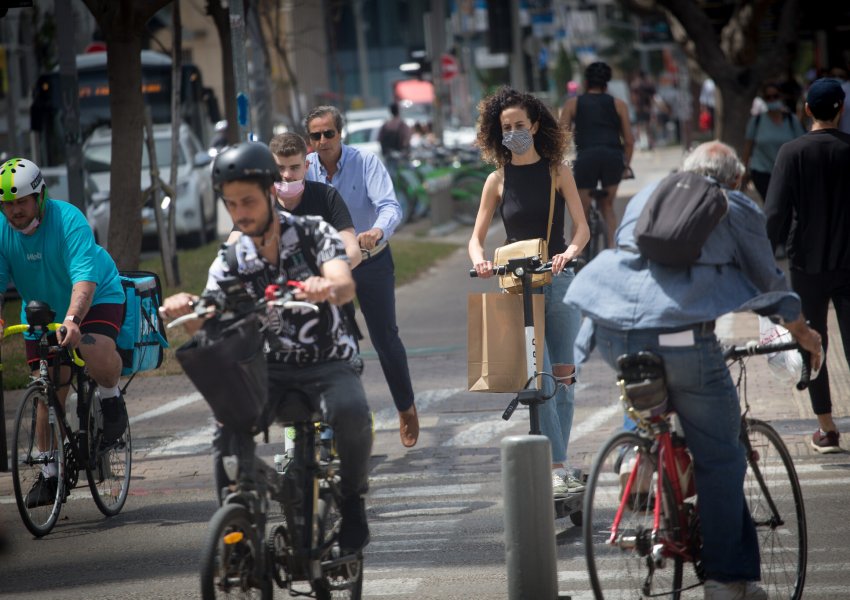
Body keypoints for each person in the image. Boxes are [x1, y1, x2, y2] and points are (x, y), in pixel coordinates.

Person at [564, 141, 822, 600]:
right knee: (721, 458)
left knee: (653, 399)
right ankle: (724, 579)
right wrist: (803, 332)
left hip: (611, 328)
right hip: (682, 337)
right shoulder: (734, 204)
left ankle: (640, 455)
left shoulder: (649, 194)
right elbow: (767, 277)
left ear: (686, 169)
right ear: (735, 179)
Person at [161, 142, 372, 553]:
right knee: (226, 427)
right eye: (232, 203)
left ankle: (352, 500)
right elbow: (210, 316)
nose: (240, 212)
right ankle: (239, 515)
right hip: (266, 369)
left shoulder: (313, 233)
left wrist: (326, 285)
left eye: (249, 201)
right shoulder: (232, 256)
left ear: (272, 192)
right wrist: (186, 306)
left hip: (328, 362)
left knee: (351, 413)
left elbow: (345, 284)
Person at [469, 86, 590, 497]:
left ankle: (562, 464)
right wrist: (481, 261)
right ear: (496, 132)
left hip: (558, 282)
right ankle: (558, 467)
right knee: (541, 381)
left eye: (520, 124)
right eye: (506, 127)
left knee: (564, 380)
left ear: (535, 125)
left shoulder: (558, 170)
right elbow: (476, 238)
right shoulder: (497, 180)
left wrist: (570, 253)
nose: (514, 132)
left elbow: (582, 228)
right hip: (519, 288)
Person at [0, 157, 128, 508]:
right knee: (46, 388)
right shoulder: (1, 229)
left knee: (95, 348)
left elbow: (84, 278)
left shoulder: (68, 219)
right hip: (43, 310)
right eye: (7, 204)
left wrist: (73, 319)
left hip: (96, 295)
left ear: (40, 197)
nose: (14, 211)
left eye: (21, 202)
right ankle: (50, 474)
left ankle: (111, 398)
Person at [304, 105, 419, 448]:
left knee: (385, 338)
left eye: (329, 134)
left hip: (371, 260)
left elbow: (390, 205)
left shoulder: (365, 162)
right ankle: (350, 416)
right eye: (316, 135)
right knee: (337, 342)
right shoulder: (304, 169)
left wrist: (377, 232)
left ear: (341, 134)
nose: (323, 141)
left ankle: (406, 406)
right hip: (328, 267)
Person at [765, 77, 850, 454]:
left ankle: (827, 428)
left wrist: (764, 260)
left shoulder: (792, 152)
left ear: (808, 110)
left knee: (812, 342)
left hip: (807, 263)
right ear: (841, 109)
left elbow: (775, 214)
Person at [560, 61, 634, 247]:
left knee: (581, 210)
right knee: (608, 206)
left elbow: (560, 138)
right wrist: (625, 166)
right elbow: (630, 141)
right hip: (612, 158)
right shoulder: (619, 105)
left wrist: (558, 165)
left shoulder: (572, 104)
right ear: (606, 84)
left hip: (587, 159)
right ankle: (612, 249)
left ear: (585, 83)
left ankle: (577, 254)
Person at [740, 82, 806, 203]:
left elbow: (802, 146)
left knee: (784, 205)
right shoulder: (757, 121)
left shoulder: (792, 120)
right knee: (772, 203)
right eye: (768, 97)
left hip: (786, 172)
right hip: (761, 170)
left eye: (775, 96)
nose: (772, 100)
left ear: (781, 97)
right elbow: (748, 146)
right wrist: (743, 171)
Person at [630, 70, 656, 150]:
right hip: (647, 108)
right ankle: (649, 143)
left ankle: (641, 143)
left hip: (639, 108)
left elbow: (633, 97)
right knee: (648, 127)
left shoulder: (635, 85)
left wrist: (635, 106)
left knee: (640, 126)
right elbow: (652, 97)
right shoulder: (648, 85)